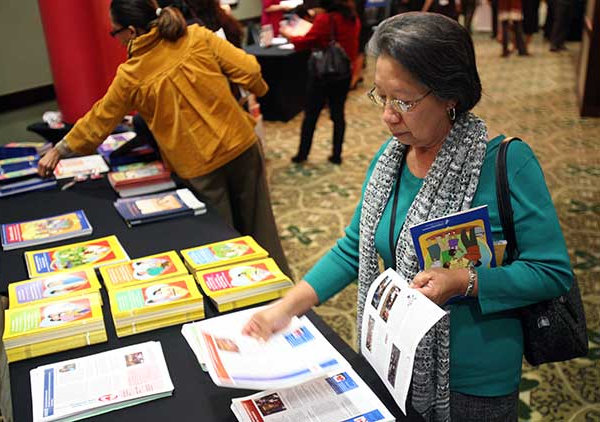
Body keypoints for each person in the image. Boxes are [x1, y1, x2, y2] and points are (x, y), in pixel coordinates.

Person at [243, 12, 572, 421]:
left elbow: (552, 271)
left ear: (450, 95)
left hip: (475, 381)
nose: (388, 115)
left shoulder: (507, 163)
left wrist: (466, 281)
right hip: (396, 362)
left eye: (404, 101)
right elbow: (353, 249)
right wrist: (287, 307)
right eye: (380, 96)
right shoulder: (390, 161)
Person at [37, 0, 291, 278]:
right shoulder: (198, 37)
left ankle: (246, 309)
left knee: (224, 249)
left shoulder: (131, 75)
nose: (116, 38)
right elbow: (250, 71)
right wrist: (259, 89)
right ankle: (286, 302)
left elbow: (98, 120)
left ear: (131, 31)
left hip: (200, 168)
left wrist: (60, 150)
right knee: (262, 230)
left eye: (115, 32)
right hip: (242, 145)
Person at [280, 0, 361, 165]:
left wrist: (287, 34)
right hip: (344, 73)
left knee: (311, 115)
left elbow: (305, 41)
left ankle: (302, 154)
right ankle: (336, 154)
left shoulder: (325, 19)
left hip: (322, 75)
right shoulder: (353, 18)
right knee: (338, 114)